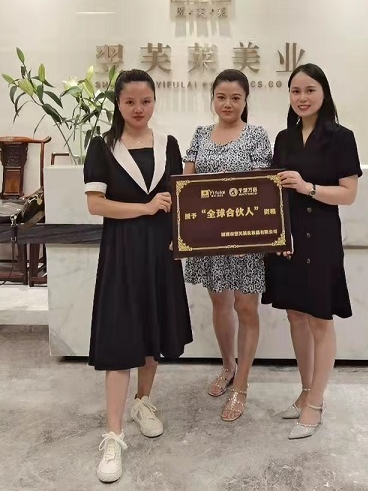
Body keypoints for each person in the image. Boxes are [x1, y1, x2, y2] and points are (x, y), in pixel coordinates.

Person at [83, 69, 193, 483]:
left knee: (153, 331)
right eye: (130, 102)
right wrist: (145, 208)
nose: (138, 109)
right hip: (123, 253)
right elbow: (96, 204)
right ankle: (113, 436)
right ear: (118, 103)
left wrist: (182, 233)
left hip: (161, 253)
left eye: (145, 101)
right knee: (120, 339)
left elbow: (180, 198)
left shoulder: (168, 145)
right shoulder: (102, 146)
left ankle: (143, 401)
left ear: (154, 101)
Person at [262, 63, 362, 440]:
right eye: (295, 91)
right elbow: (272, 191)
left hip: (320, 237)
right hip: (288, 240)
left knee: (320, 319)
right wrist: (277, 235)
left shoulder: (341, 137)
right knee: (295, 315)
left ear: (324, 93)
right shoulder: (284, 138)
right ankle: (305, 391)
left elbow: (348, 194)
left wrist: (308, 187)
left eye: (309, 90)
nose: (302, 98)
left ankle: (316, 402)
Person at [183, 69, 273, 421]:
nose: (228, 104)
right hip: (210, 238)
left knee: (246, 307)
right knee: (220, 303)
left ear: (246, 100)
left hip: (246, 237)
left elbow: (263, 186)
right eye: (221, 97)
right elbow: (187, 184)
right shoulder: (200, 135)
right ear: (213, 99)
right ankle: (228, 366)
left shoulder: (257, 135)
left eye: (236, 97)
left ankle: (242, 385)